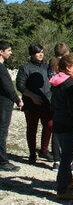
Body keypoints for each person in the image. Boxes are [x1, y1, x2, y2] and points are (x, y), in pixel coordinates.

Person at [50, 53, 73, 201]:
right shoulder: (70, 83)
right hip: (69, 124)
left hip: (58, 121)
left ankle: (67, 182)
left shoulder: (56, 80)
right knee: (66, 158)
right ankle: (62, 189)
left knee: (65, 155)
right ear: (68, 68)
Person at [16, 43, 54, 164]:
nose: (41, 54)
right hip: (31, 103)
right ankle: (32, 153)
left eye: (42, 51)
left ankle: (44, 150)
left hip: (46, 102)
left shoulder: (47, 66)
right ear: (32, 54)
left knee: (49, 126)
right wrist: (32, 96)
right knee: (32, 128)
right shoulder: (25, 67)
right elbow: (20, 85)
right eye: (38, 52)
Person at [0, 41, 23, 172]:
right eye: (8, 50)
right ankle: (3, 161)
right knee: (2, 132)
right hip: (3, 103)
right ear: (1, 52)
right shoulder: (1, 67)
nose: (10, 52)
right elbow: (8, 87)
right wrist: (17, 100)